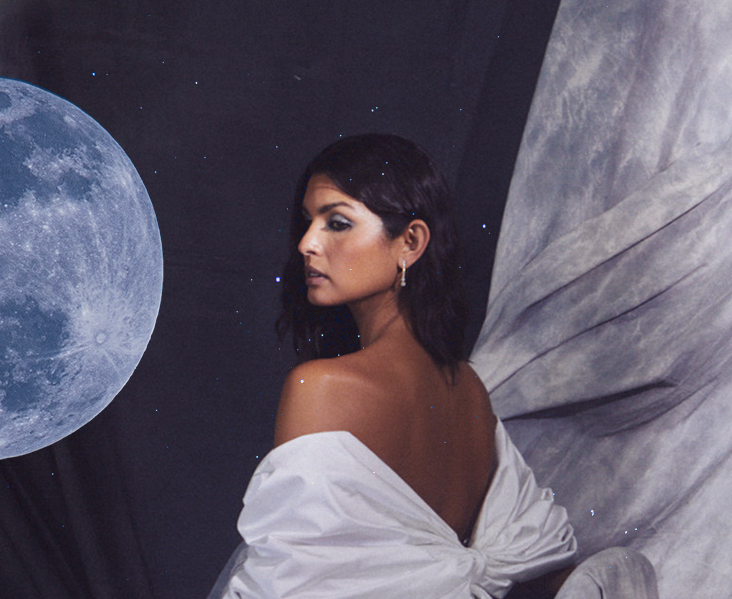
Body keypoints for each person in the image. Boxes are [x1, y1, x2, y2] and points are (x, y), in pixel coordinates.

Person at [210, 134, 581, 598]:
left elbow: (286, 587)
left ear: (411, 242)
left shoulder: (321, 387)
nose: (306, 243)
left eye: (337, 223)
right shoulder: (470, 389)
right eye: (308, 222)